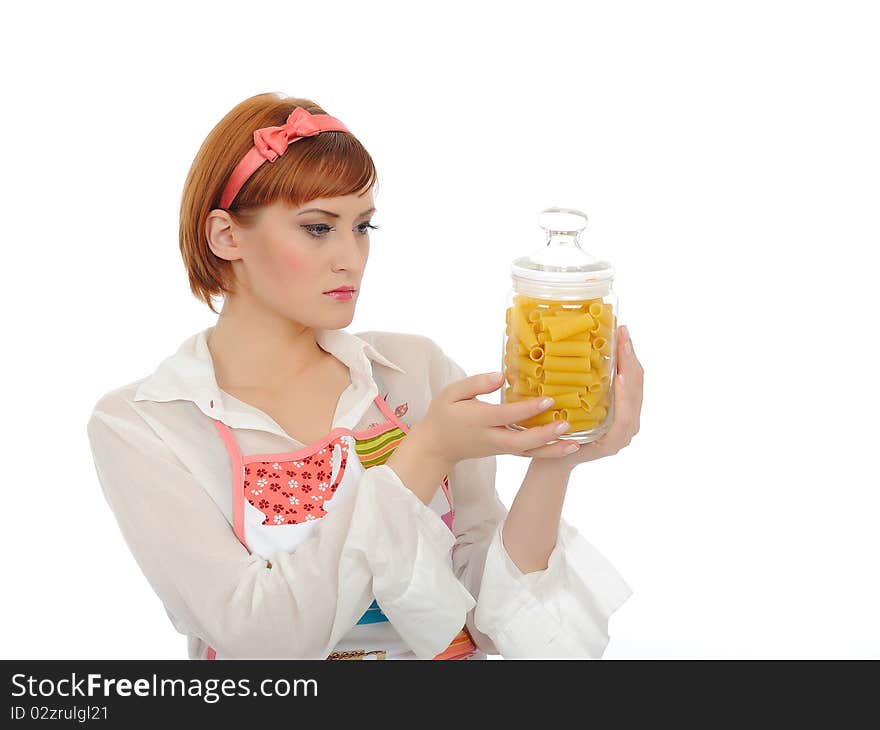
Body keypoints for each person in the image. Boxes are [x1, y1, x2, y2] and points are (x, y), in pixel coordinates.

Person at [85, 92, 644, 660]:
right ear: (226, 236)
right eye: (318, 228)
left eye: (363, 226)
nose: (351, 258)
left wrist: (558, 459)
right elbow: (261, 638)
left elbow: (491, 620)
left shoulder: (414, 373)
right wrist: (424, 456)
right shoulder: (145, 425)